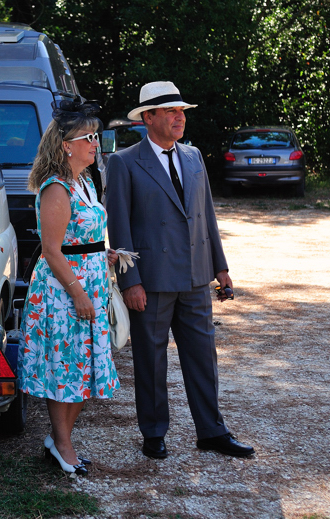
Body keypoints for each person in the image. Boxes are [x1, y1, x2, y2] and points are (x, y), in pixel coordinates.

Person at [105, 81, 254, 459]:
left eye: (182, 111)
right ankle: (154, 433)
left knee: (204, 357)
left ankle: (212, 431)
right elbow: (119, 225)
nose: (179, 117)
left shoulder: (193, 157)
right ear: (148, 117)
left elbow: (207, 216)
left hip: (194, 278)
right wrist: (130, 281)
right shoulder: (124, 162)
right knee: (150, 362)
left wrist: (221, 267)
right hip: (150, 282)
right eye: (170, 111)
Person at [18, 100, 120, 476]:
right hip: (64, 292)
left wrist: (102, 252)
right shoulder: (57, 188)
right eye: (89, 137)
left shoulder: (85, 181)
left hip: (88, 282)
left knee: (84, 367)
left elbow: (79, 236)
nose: (97, 143)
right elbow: (51, 250)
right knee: (65, 370)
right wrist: (78, 293)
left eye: (97, 135)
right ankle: (62, 444)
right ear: (67, 145)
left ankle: (59, 439)